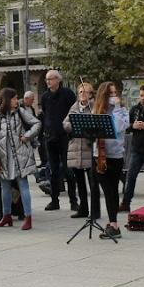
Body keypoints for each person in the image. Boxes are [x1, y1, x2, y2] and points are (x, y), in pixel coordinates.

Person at [0, 87, 41, 230]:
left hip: (20, 154)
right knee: (5, 187)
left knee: (23, 185)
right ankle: (6, 216)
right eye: (15, 98)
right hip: (3, 156)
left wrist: (27, 136)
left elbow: (37, 123)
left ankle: (28, 217)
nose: (17, 100)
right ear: (7, 99)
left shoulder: (20, 111)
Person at [91, 81, 129, 240]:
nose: (113, 96)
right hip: (99, 155)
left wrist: (117, 107)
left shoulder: (123, 110)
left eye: (115, 93)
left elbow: (119, 127)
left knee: (112, 190)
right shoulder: (98, 110)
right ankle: (112, 223)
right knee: (106, 190)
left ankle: (114, 224)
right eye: (110, 94)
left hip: (115, 155)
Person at [39, 70, 77, 211]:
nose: (48, 82)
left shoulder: (67, 94)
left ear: (58, 80)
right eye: (46, 79)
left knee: (69, 171)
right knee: (53, 171)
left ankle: (74, 201)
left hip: (65, 136)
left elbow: (73, 112)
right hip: (50, 137)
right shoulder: (45, 97)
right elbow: (45, 114)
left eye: (50, 79)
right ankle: (54, 200)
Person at [64, 82, 100, 220]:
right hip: (76, 148)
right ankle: (83, 208)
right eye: (80, 92)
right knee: (79, 181)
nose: (82, 94)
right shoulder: (74, 107)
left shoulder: (95, 107)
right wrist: (75, 125)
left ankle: (95, 210)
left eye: (85, 92)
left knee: (93, 182)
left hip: (89, 148)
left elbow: (98, 124)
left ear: (91, 95)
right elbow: (65, 123)